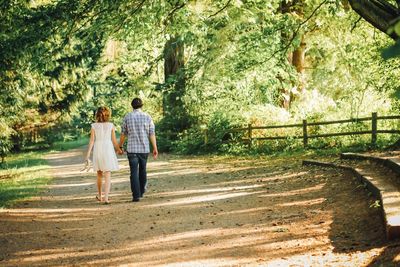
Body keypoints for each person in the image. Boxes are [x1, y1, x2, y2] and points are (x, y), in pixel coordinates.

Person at [119, 97, 158, 202]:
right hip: (144, 149)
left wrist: (120, 146)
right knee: (143, 170)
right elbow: (152, 133)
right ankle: (141, 191)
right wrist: (155, 148)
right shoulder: (147, 117)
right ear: (142, 106)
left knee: (133, 172)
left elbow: (123, 133)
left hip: (132, 149)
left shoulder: (127, 117)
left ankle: (136, 196)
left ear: (132, 106)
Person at [85, 107, 122, 204]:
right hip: (108, 149)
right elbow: (114, 141)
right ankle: (106, 198)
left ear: (97, 115)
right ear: (108, 115)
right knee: (108, 174)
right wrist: (119, 149)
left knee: (99, 174)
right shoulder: (111, 125)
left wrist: (88, 155)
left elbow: (92, 141)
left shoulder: (94, 126)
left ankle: (100, 195)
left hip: (98, 149)